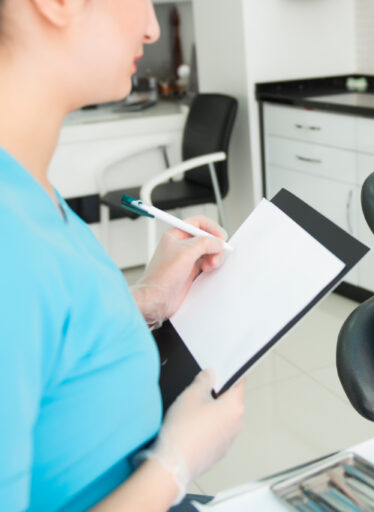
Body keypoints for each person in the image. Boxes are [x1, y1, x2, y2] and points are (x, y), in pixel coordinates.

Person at [0, 0, 245, 510]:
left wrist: (144, 299)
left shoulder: (26, 186)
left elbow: (44, 329)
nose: (154, 28)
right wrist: (176, 463)